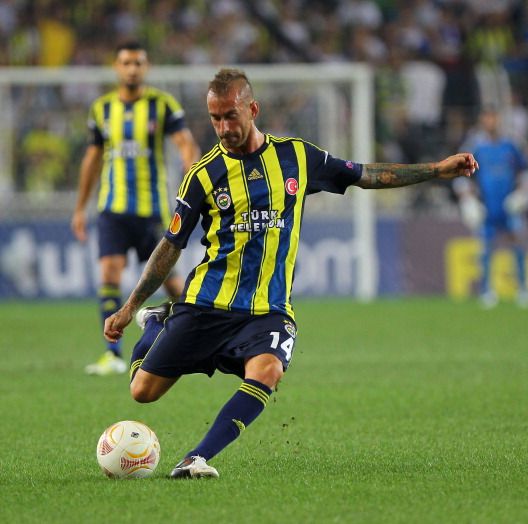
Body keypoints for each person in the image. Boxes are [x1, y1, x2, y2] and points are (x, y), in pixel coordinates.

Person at [104, 68, 478, 479]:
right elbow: (170, 245)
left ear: (253, 109)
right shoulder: (203, 175)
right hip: (207, 304)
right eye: (215, 119)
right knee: (142, 392)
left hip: (268, 309)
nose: (223, 128)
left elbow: (365, 175)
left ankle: (196, 458)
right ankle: (158, 323)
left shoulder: (298, 157)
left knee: (268, 370)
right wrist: (130, 307)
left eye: (231, 115)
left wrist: (436, 170)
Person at [71, 41, 200, 375]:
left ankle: (195, 332)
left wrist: (192, 173)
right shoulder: (102, 109)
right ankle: (113, 353)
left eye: (138, 63)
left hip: (151, 210)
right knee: (109, 273)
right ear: (117, 67)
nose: (132, 69)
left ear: (147, 67)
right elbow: (92, 158)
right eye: (126, 63)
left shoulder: (162, 105)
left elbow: (186, 144)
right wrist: (80, 207)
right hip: (112, 209)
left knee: (171, 284)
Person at [455, 106, 528, 308]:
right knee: (485, 247)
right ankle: (486, 291)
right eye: (486, 118)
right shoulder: (475, 146)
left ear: (498, 120)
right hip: (487, 205)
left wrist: (522, 195)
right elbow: (461, 176)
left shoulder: (512, 144)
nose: (490, 122)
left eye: (493, 118)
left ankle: (523, 289)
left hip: (509, 205)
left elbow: (527, 172)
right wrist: (468, 200)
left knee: (518, 243)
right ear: (482, 120)